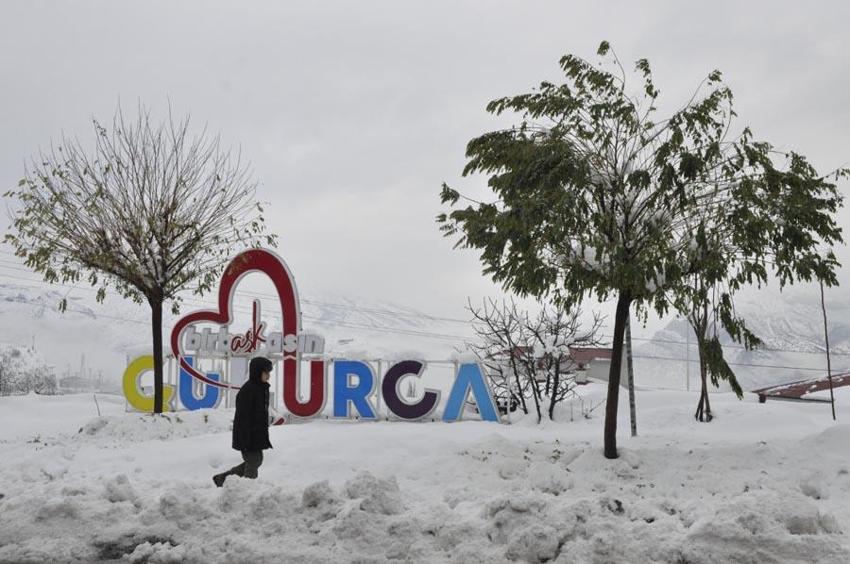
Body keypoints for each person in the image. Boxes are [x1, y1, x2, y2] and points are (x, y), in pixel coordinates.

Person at [213, 356, 274, 487]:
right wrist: (245, 438)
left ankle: (223, 478)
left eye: (269, 373)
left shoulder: (261, 388)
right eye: (266, 372)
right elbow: (243, 417)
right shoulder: (249, 390)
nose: (268, 376)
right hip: (248, 435)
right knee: (253, 462)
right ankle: (248, 490)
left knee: (257, 461)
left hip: (256, 434)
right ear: (258, 372)